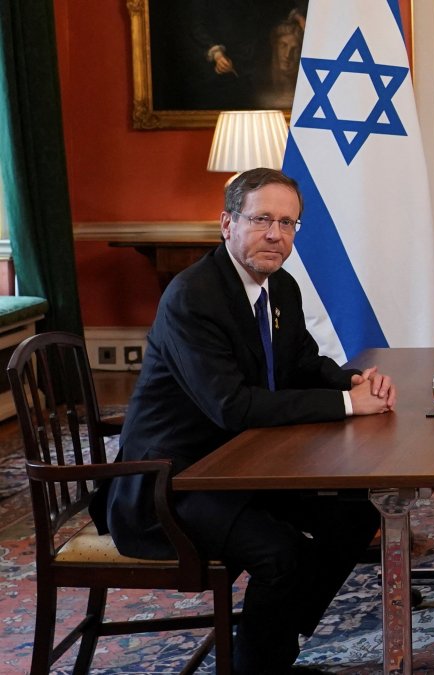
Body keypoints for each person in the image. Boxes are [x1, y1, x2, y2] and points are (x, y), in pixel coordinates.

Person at [99, 168, 395, 674]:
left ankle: (269, 640)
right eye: (262, 220)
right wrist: (349, 407)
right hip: (172, 482)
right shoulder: (194, 297)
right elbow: (231, 407)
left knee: (355, 517)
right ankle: (260, 661)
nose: (276, 235)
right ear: (227, 223)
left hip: (241, 464)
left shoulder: (281, 288)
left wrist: (350, 383)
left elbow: (302, 362)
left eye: (288, 222)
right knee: (279, 555)